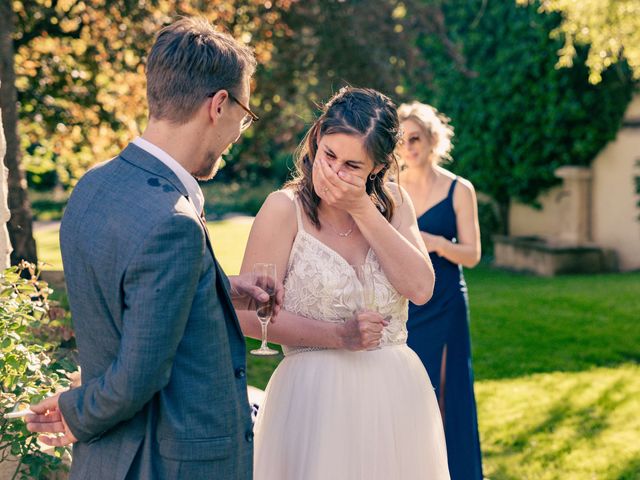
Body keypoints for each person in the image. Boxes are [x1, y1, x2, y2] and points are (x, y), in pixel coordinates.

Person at [25, 17, 277, 479]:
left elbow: (124, 306)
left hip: (108, 463)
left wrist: (219, 288)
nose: (238, 133)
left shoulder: (92, 188)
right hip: (165, 465)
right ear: (218, 104)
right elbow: (136, 378)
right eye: (244, 116)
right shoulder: (172, 223)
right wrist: (72, 410)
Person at [240, 87, 450, 480]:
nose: (334, 173)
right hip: (313, 401)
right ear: (317, 136)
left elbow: (421, 288)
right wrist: (338, 335)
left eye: (353, 166)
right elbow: (249, 314)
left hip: (396, 397)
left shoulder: (395, 204)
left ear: (377, 167)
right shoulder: (283, 209)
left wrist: (362, 210)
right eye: (329, 155)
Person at [397, 101, 483, 480]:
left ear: (432, 139)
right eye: (401, 141)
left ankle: (456, 471)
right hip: (405, 303)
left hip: (447, 301)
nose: (408, 147)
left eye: (415, 138)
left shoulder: (459, 189)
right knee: (408, 389)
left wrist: (435, 242)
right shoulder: (389, 189)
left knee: (447, 390)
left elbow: (474, 254)